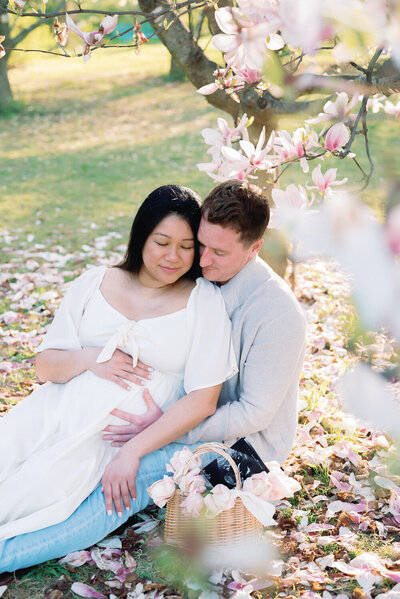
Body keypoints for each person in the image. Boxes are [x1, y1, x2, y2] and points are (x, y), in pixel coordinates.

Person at [0, 179, 306, 574]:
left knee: (120, 485)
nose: (202, 260)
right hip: (161, 420)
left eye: (216, 252)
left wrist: (163, 429)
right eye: (202, 245)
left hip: (242, 449)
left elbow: (253, 414)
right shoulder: (197, 281)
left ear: (254, 249)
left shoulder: (276, 313)